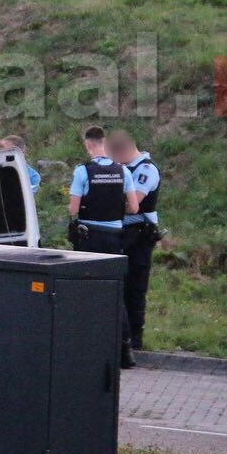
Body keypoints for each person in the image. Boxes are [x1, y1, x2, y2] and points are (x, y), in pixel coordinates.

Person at [68, 125, 140, 368]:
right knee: (115, 291)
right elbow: (134, 207)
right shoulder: (123, 171)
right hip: (114, 236)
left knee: (84, 289)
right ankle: (125, 349)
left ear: (88, 144)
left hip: (89, 237)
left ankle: (85, 346)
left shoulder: (83, 172)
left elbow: (73, 210)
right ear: (105, 142)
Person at [106, 130, 162, 353]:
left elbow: (133, 204)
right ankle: (122, 337)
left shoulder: (146, 170)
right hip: (123, 232)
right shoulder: (125, 169)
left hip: (139, 234)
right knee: (121, 284)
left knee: (135, 288)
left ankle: (135, 340)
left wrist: (106, 203)